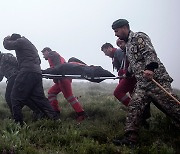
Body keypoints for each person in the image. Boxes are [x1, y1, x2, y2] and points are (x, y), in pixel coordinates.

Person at [111, 19, 180, 146]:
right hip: (142, 84)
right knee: (134, 107)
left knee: (172, 107)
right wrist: (129, 73)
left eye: (116, 31)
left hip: (156, 80)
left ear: (124, 27)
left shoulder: (139, 37)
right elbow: (135, 62)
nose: (115, 34)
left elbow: (150, 53)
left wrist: (150, 68)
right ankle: (130, 139)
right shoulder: (128, 45)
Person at [3, 34, 59, 125]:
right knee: (40, 98)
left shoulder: (21, 41)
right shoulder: (31, 46)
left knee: (15, 97)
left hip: (26, 72)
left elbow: (7, 45)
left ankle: (18, 123)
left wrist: (6, 39)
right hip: (36, 73)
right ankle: (55, 119)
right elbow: (39, 61)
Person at [101, 40, 150, 127]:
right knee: (133, 95)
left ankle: (135, 110)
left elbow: (127, 64)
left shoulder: (118, 52)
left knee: (118, 92)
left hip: (130, 76)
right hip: (129, 76)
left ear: (110, 48)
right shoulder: (115, 55)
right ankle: (142, 118)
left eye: (105, 51)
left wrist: (124, 74)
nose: (105, 54)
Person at [41, 47, 86, 122]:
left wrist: (44, 72)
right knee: (51, 93)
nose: (43, 56)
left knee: (69, 97)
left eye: (43, 53)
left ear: (47, 51)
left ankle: (81, 114)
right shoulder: (55, 56)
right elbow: (56, 69)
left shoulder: (52, 55)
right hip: (62, 79)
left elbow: (57, 68)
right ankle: (55, 111)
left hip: (63, 79)